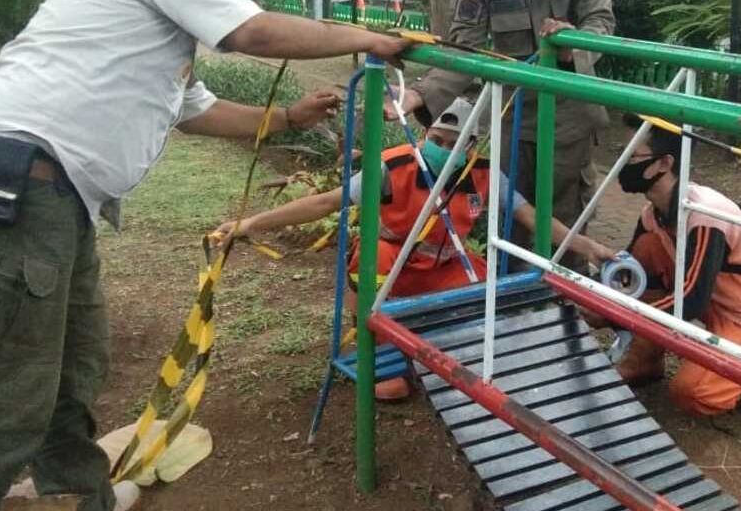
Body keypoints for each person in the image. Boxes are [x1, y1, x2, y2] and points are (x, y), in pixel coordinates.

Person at [0, 0, 410, 511]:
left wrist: (285, 116)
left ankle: (74, 495)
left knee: (73, 367)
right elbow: (251, 30)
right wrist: (368, 38)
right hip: (10, 190)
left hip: (49, 199)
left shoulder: (155, 28)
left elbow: (196, 110)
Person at [216, 97, 616, 400]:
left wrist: (587, 245)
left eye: (451, 142)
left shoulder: (482, 174)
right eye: (434, 138)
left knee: (479, 288)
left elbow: (532, 217)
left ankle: (444, 346)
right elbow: (324, 202)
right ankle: (378, 342)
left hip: (443, 267)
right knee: (391, 385)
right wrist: (249, 223)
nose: (439, 147)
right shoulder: (393, 168)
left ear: (471, 146)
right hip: (390, 263)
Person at [387, 0, 615, 268]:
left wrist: (574, 39)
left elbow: (601, 18)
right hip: (514, 112)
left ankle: (562, 308)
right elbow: (465, 45)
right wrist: (419, 94)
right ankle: (508, 308)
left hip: (569, 114)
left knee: (565, 221)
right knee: (512, 217)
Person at [611, 115, 741, 416]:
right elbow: (627, 271)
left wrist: (620, 314)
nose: (622, 161)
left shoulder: (705, 214)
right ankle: (644, 360)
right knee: (645, 250)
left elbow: (689, 299)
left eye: (631, 155)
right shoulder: (653, 213)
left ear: (664, 163)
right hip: (714, 300)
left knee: (692, 393)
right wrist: (602, 294)